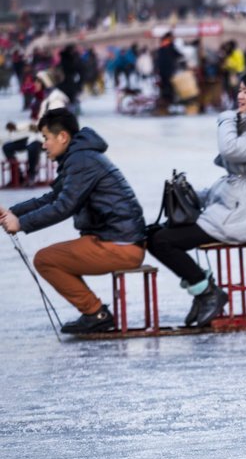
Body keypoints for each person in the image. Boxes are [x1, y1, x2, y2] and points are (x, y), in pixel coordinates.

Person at [147, 69, 246, 327]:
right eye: (239, 90)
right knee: (154, 235)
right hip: (232, 210)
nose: (239, 96)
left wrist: (227, 119)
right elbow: (234, 180)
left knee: (163, 241)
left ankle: (207, 292)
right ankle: (203, 289)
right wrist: (193, 196)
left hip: (243, 216)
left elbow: (229, 149)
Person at [0, 108, 146, 334]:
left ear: (63, 137)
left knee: (46, 260)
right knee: (50, 258)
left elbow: (64, 206)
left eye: (46, 138)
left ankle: (96, 313)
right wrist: (14, 213)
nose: (44, 145)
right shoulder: (80, 156)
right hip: (116, 239)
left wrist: (21, 224)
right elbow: (53, 197)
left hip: (120, 244)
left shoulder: (82, 160)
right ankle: (94, 312)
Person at [3, 70, 69, 186]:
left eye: (38, 82)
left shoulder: (55, 99)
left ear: (45, 83)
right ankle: (18, 177)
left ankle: (31, 175)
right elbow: (34, 122)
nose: (35, 85)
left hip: (49, 138)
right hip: (36, 135)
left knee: (32, 147)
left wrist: (41, 127)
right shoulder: (40, 100)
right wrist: (17, 127)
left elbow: (57, 122)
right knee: (7, 147)